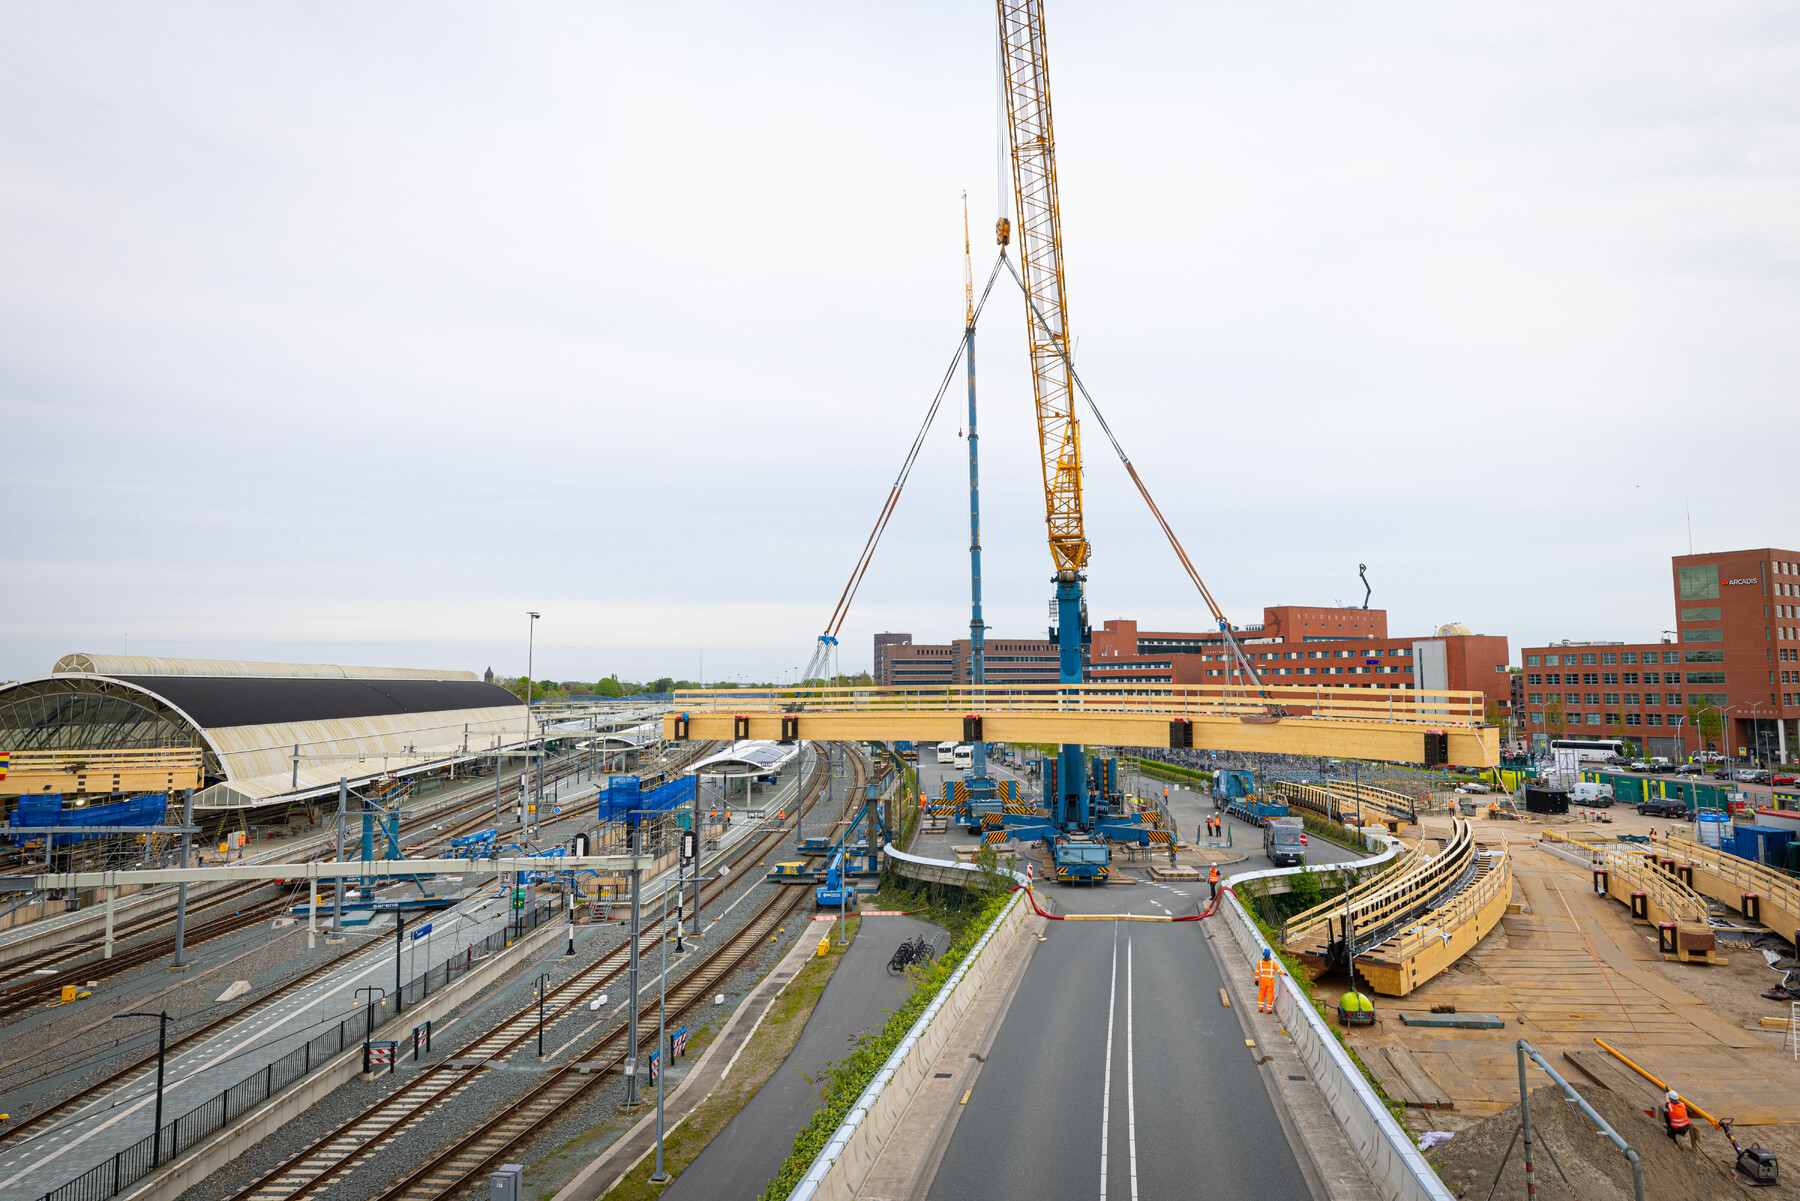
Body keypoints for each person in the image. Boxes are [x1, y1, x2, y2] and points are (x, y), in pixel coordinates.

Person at [1255, 947, 1281, 1013]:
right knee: (1270, 995)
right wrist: (1284, 973)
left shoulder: (1260, 963)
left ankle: (1260, 1008)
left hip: (1263, 980)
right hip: (1270, 980)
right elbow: (1279, 971)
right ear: (1269, 955)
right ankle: (1268, 1010)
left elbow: (1257, 972)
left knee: (1261, 993)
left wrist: (1256, 980)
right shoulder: (1273, 963)